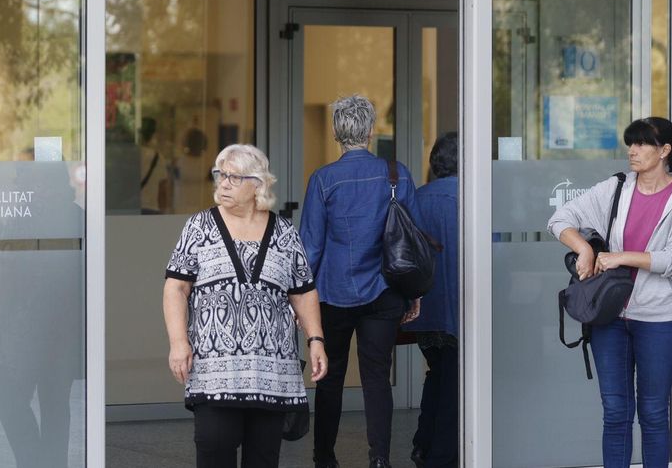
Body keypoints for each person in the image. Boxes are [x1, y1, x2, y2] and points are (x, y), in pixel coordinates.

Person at [548, 117, 672, 468]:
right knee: (615, 413)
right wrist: (584, 249)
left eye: (643, 143)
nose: (632, 151)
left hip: (659, 321)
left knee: (652, 413)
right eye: (630, 143)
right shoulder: (617, 187)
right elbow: (560, 218)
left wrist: (620, 257)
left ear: (665, 150)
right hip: (610, 317)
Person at [163, 143, 328, 468]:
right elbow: (176, 288)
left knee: (263, 459)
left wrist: (316, 339)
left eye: (233, 177)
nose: (222, 183)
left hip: (271, 373)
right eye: (219, 174)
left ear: (258, 184)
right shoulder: (199, 228)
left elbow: (303, 291)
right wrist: (178, 342)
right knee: (213, 451)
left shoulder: (284, 233)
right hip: (214, 373)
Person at [300, 95, 423, 468]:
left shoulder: (323, 180)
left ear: (337, 133)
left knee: (330, 377)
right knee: (376, 378)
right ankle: (380, 458)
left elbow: (310, 248)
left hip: (332, 295)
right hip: (384, 292)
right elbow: (413, 237)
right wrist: (414, 294)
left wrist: (299, 301)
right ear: (371, 131)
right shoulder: (396, 175)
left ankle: (324, 457)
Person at [400, 132, 459, 468]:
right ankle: (440, 455)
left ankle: (423, 443)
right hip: (458, 311)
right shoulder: (471, 200)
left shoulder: (416, 199)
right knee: (453, 382)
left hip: (424, 310)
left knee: (437, 373)